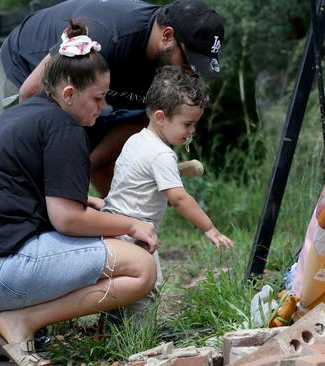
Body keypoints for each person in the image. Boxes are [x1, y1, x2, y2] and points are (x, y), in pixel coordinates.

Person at [0, 21, 158, 365]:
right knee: (140, 269)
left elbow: (22, 197)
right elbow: (65, 218)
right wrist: (132, 225)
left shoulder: (27, 114)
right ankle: (20, 322)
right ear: (68, 94)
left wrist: (88, 202)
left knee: (49, 235)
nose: (104, 107)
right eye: (98, 98)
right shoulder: (65, 129)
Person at [0, 0, 225, 196]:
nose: (188, 75)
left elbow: (141, 123)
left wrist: (87, 166)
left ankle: (122, 233)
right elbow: (31, 93)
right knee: (34, 173)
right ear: (167, 35)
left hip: (91, 88)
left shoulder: (164, 65)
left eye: (195, 72)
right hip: (27, 68)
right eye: (187, 64)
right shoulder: (108, 35)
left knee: (93, 158)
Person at [100, 65, 234, 316]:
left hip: (114, 226)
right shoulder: (161, 154)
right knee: (149, 284)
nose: (191, 131)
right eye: (187, 124)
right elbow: (179, 198)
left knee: (123, 283)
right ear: (160, 117)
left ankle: (115, 324)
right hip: (136, 234)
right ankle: (140, 336)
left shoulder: (136, 139)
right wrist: (209, 228)